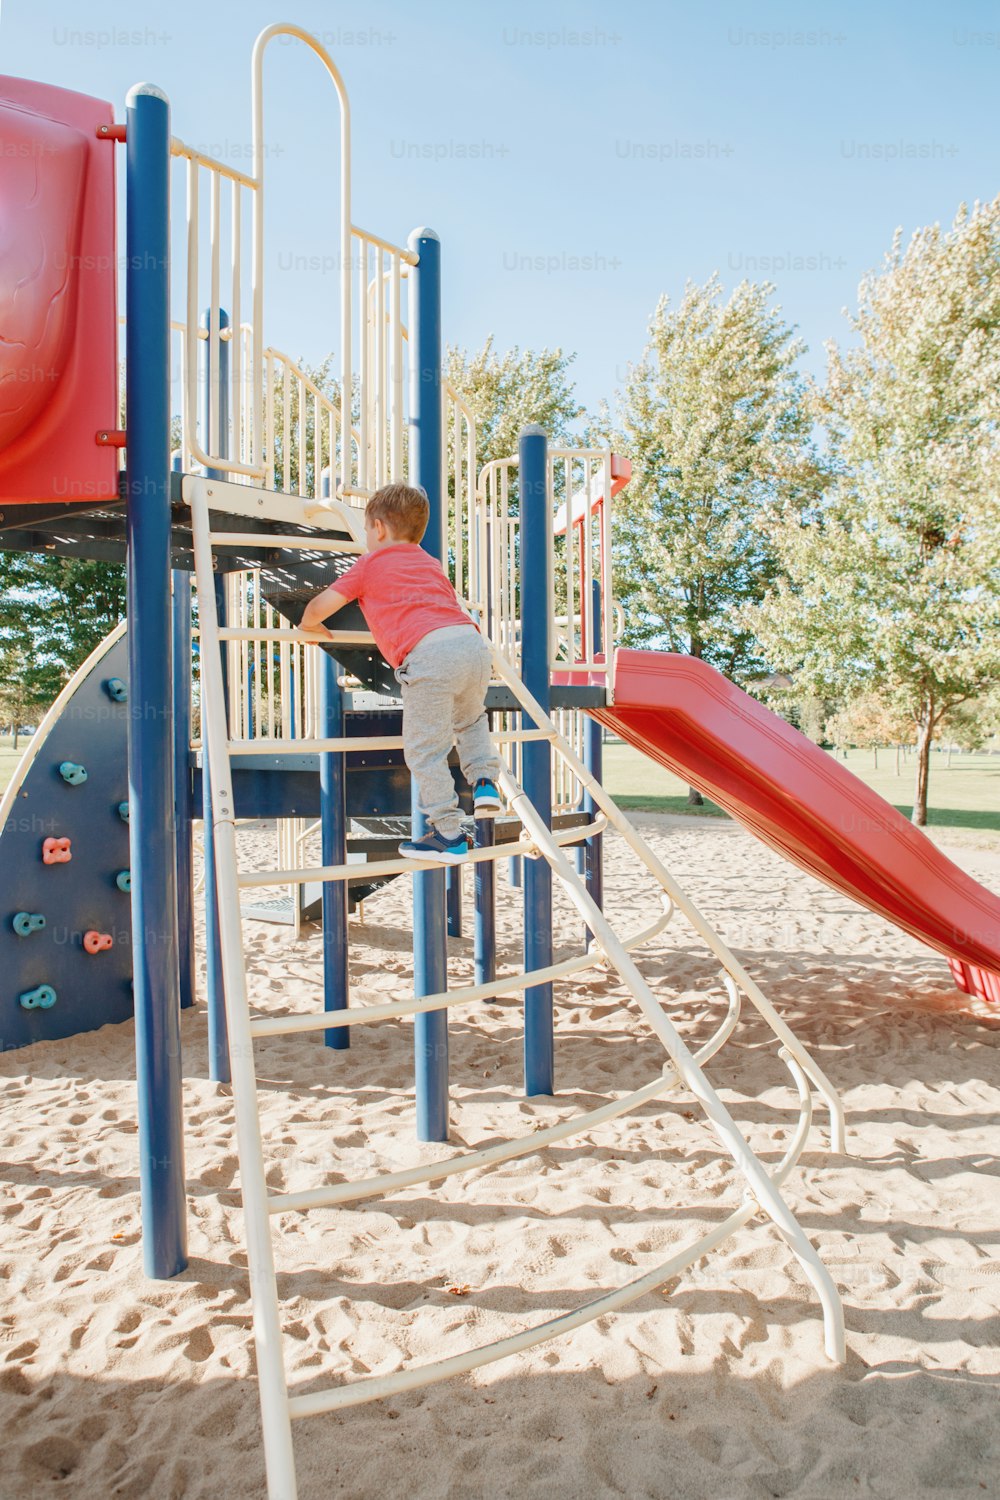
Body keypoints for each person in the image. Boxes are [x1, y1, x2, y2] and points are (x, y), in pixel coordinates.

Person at [301, 482, 502, 864]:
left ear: (378, 529)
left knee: (426, 750)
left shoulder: (369, 564)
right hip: (472, 646)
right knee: (471, 719)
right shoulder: (429, 562)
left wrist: (310, 627)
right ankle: (485, 784)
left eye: (365, 530)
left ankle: (448, 834)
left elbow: (318, 608)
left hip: (428, 655)